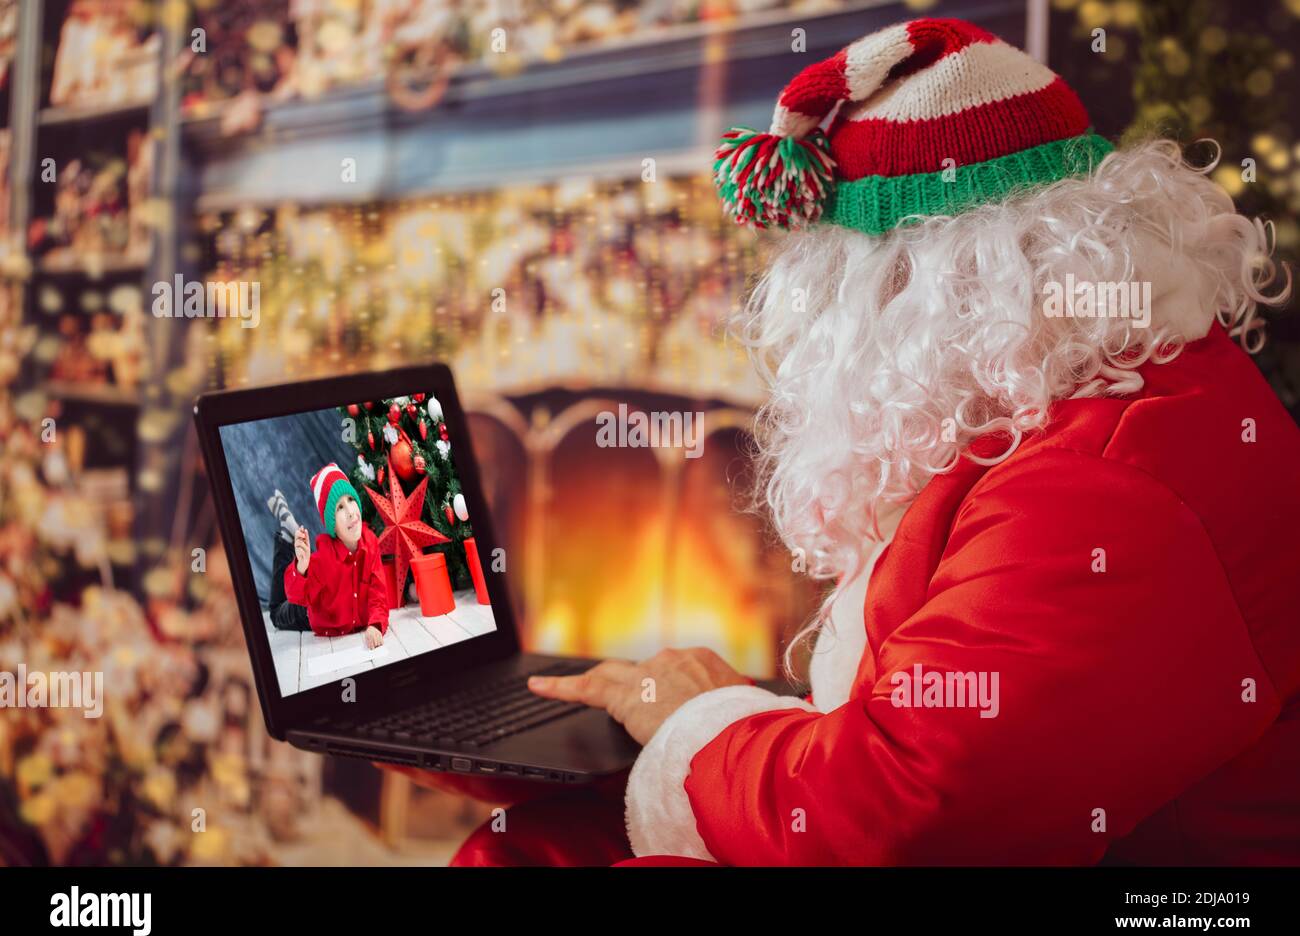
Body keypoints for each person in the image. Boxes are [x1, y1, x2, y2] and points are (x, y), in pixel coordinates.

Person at [391, 16, 1300, 865]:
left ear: (927, 283)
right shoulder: (1101, 392)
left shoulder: (1100, 488)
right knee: (536, 838)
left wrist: (702, 723)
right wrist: (673, 714)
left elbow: (910, 811)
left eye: (834, 283)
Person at [284, 463, 389, 648]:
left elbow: (378, 593)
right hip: (307, 615)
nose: (350, 512)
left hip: (347, 619)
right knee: (278, 612)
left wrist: (375, 625)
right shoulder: (324, 559)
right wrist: (301, 566)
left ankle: (288, 528)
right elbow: (295, 595)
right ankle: (284, 533)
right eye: (340, 507)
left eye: (351, 499)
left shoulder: (370, 543)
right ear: (331, 523)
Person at [266, 488, 310, 632]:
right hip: (315, 608)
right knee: (277, 611)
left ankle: (288, 535)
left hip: (313, 604)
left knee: (276, 612)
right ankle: (288, 535)